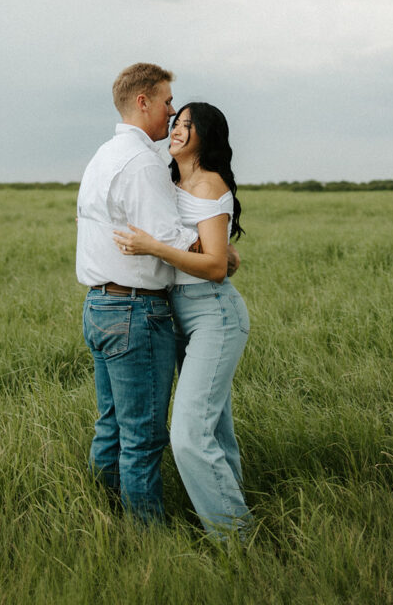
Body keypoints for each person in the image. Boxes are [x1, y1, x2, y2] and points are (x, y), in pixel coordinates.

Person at [113, 102, 251, 540]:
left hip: (213, 313)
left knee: (190, 436)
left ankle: (238, 543)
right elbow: (219, 254)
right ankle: (233, 517)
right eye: (175, 123)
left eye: (187, 125)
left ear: (204, 136)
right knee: (215, 431)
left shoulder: (210, 185)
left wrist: (154, 248)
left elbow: (214, 266)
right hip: (176, 314)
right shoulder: (168, 178)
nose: (175, 130)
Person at [75, 63, 199, 523]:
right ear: (142, 101)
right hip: (135, 311)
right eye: (167, 101)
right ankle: (148, 543)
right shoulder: (143, 163)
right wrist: (219, 250)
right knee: (143, 437)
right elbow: (175, 242)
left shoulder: (102, 155)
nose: (172, 111)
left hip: (98, 306)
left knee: (110, 428)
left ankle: (103, 518)